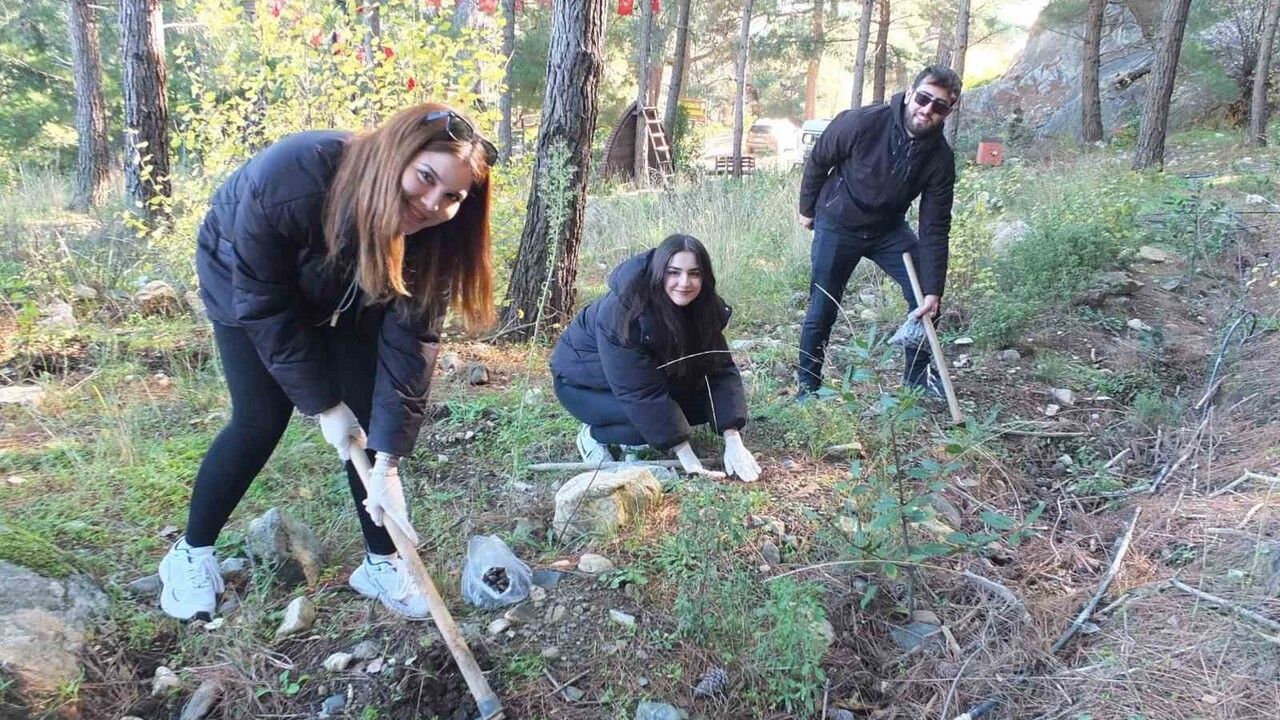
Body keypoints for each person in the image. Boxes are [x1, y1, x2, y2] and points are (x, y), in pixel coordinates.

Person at [158, 104, 498, 621]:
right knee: (260, 417)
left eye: (452, 196)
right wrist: (322, 404)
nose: (432, 203)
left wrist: (387, 459)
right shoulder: (294, 178)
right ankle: (190, 553)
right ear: (396, 154)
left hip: (350, 274)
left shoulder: (431, 232)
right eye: (426, 177)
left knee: (368, 418)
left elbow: (411, 340)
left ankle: (382, 563)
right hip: (243, 278)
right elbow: (265, 305)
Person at [796, 65, 961, 401]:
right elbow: (819, 159)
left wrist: (934, 289)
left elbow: (935, 226)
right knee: (823, 306)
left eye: (939, 106)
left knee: (927, 299)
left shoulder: (940, 159)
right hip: (838, 220)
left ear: (948, 111)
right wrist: (807, 209)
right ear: (910, 93)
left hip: (888, 229)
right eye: (924, 98)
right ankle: (808, 387)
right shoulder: (863, 122)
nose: (927, 109)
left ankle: (916, 380)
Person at [549, 234, 762, 482]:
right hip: (583, 385)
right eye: (674, 272)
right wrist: (687, 458)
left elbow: (719, 369)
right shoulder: (621, 310)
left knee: (697, 410)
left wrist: (733, 439)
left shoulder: (704, 305)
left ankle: (631, 428)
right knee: (643, 427)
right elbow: (638, 391)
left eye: (694, 273)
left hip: (639, 379)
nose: (684, 282)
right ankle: (594, 435)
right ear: (659, 272)